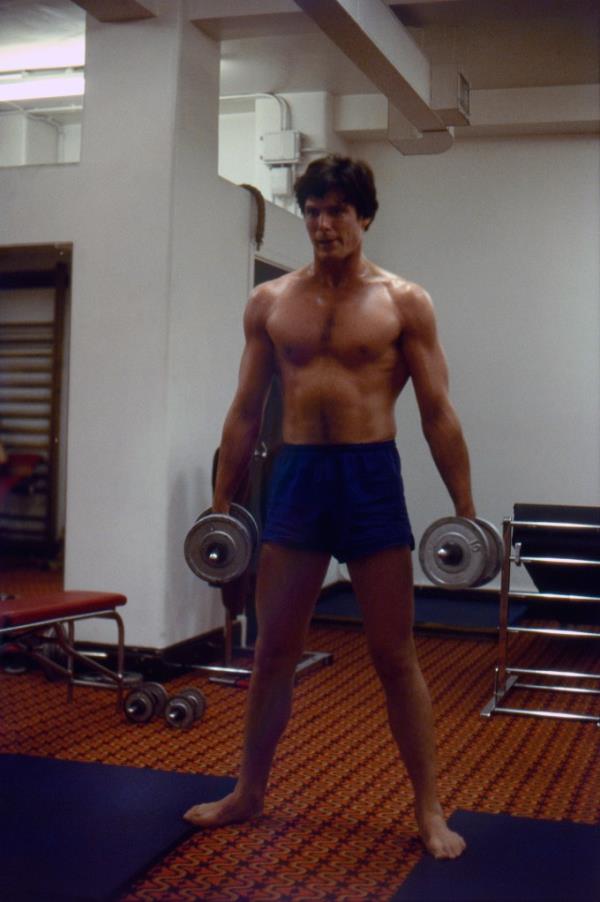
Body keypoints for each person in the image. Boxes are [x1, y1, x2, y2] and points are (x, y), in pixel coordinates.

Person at [184, 155, 475, 859]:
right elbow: (245, 410)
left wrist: (466, 511)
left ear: (364, 217)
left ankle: (430, 809)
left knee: (393, 652)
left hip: (371, 476)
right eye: (313, 210)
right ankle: (248, 792)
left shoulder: (404, 302)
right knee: (275, 649)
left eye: (337, 210)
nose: (323, 224)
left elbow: (438, 413)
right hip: (299, 477)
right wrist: (220, 507)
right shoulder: (272, 303)